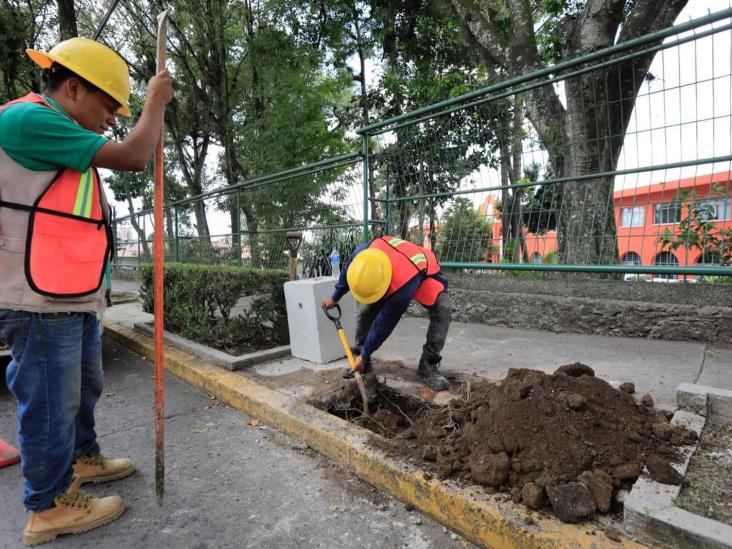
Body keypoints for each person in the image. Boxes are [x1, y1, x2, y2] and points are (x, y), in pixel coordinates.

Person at [0, 37, 173, 545]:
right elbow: (136, 154)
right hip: (37, 297)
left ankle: (82, 459)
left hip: (68, 293)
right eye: (106, 105)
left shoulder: (58, 133)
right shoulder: (28, 120)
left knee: (81, 387)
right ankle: (47, 505)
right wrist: (153, 102)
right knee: (51, 400)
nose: (111, 119)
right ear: (72, 87)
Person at [322, 235, 451, 391]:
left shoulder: (401, 290)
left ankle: (428, 365)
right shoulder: (363, 255)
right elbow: (347, 271)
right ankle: (362, 361)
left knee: (443, 309)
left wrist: (364, 355)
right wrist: (335, 297)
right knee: (367, 310)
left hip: (424, 271)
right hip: (395, 266)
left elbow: (382, 326)